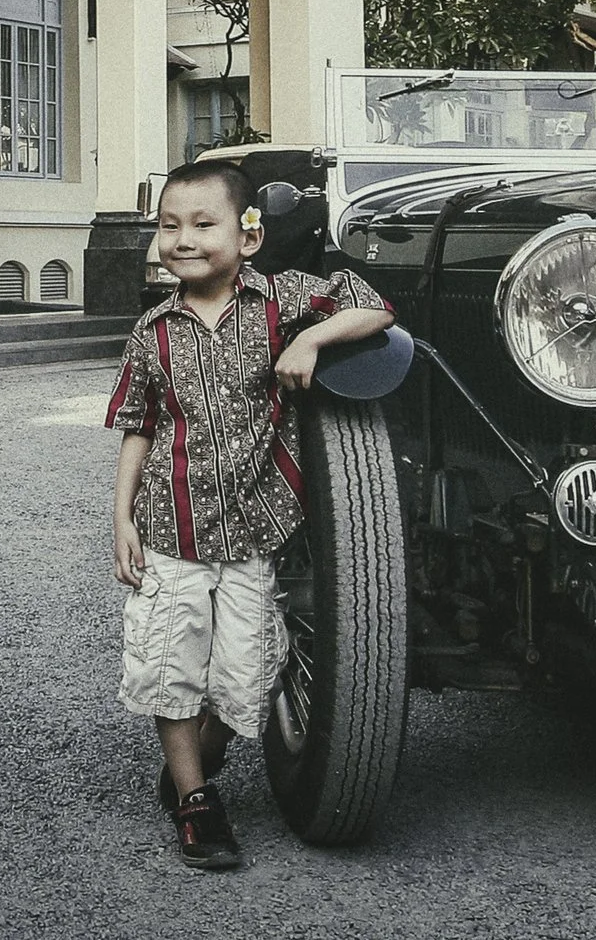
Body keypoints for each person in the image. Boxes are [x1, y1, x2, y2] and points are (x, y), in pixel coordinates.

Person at [104, 159, 393, 870]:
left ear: (248, 236)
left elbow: (374, 305)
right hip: (170, 531)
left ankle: (194, 764)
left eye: (204, 224)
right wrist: (121, 518)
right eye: (170, 226)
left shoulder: (279, 302)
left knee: (253, 676)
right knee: (172, 665)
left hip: (252, 533)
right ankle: (198, 802)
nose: (184, 239)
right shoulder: (153, 332)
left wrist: (311, 339)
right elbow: (139, 426)